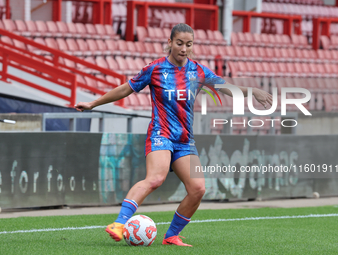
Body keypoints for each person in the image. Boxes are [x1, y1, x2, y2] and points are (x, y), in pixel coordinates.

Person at [75, 23, 273, 247]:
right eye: (179, 43)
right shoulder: (155, 69)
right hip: (161, 134)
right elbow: (126, 88)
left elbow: (225, 87)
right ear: (170, 42)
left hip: (184, 141)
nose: (184, 49)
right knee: (156, 179)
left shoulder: (197, 71)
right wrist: (94, 103)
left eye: (189, 44)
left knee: (198, 189)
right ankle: (119, 223)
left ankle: (171, 236)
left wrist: (252, 91)